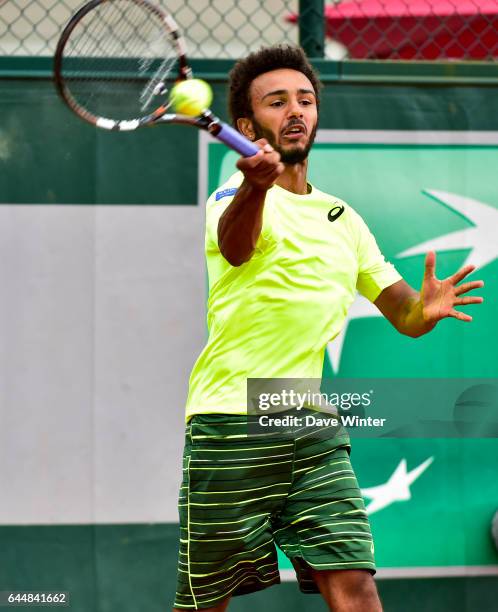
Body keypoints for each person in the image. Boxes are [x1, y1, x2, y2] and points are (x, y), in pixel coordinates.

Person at [172, 45, 484, 612]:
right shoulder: (231, 198)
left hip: (306, 419)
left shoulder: (345, 219)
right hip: (230, 419)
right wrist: (255, 186)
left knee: (356, 583)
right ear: (246, 125)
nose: (296, 111)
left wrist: (426, 309)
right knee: (206, 603)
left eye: (305, 100)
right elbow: (238, 249)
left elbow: (404, 316)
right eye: (277, 102)